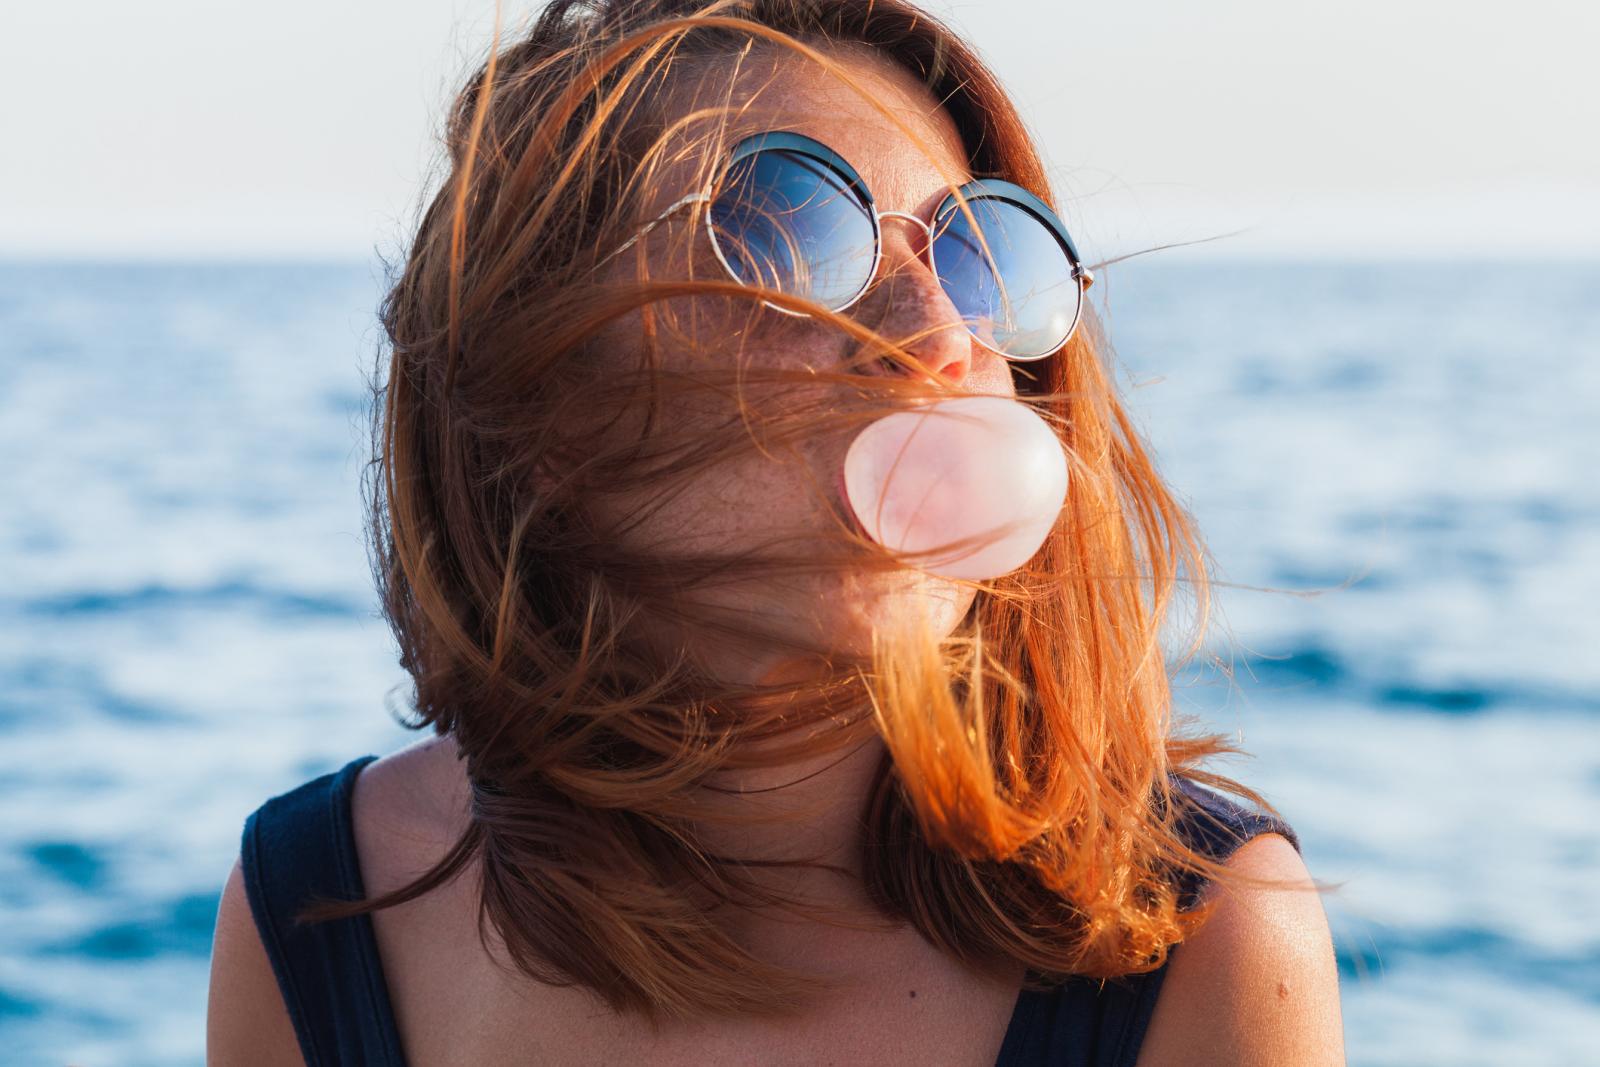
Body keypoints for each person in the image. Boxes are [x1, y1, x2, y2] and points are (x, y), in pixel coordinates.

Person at [206, 1, 1346, 1063]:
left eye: (976, 252)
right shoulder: (315, 901)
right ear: (540, 406)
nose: (940, 332)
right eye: (788, 233)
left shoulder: (1205, 939)